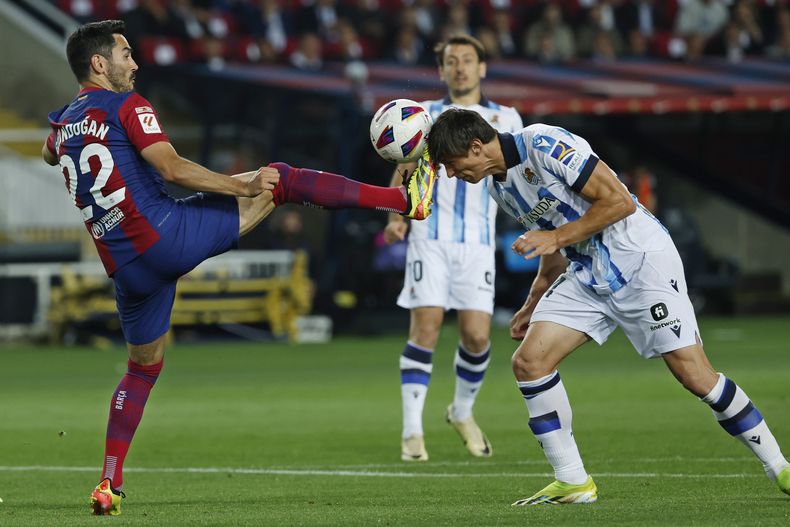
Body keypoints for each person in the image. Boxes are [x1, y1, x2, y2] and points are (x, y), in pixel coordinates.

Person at [42, 20, 437, 516]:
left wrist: (72, 131)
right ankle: (404, 199)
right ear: (99, 63)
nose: (135, 63)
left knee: (142, 369)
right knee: (278, 179)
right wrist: (242, 186)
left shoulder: (62, 123)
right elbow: (173, 168)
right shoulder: (128, 107)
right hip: (163, 234)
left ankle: (108, 482)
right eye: (125, 55)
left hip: (126, 266)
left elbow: (48, 151)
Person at [425, 108, 790, 504]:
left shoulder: (544, 143)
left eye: (450, 164)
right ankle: (573, 481)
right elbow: (550, 239)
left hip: (639, 259)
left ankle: (780, 466)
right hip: (588, 273)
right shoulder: (498, 187)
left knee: (695, 376)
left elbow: (618, 202)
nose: (449, 174)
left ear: (476, 147)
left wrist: (558, 237)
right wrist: (536, 297)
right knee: (530, 362)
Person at [383, 35, 523, 462]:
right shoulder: (425, 119)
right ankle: (411, 433)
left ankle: (461, 411)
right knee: (425, 330)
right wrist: (394, 217)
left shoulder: (507, 118)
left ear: (482, 68)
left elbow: (519, 174)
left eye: (467, 60)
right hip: (431, 237)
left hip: (478, 241)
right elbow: (404, 169)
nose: (459, 67)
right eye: (450, 61)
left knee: (478, 336)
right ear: (441, 71)